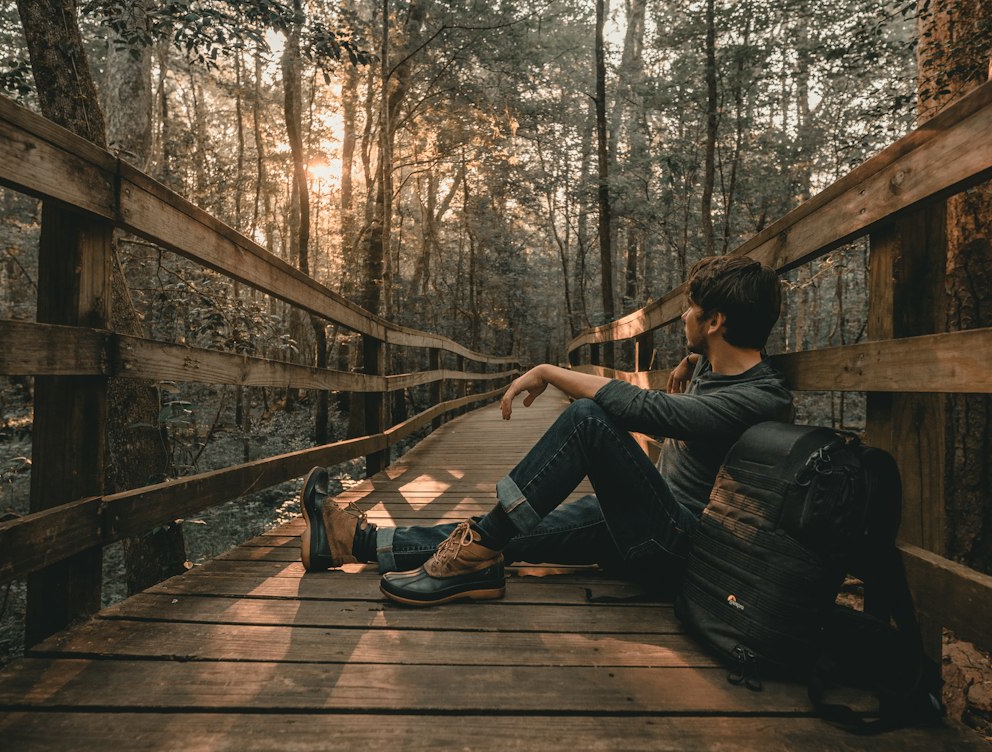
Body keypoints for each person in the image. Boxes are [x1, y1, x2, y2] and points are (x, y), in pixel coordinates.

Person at [299, 255, 793, 604]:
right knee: (512, 532)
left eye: (693, 309)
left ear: (716, 321)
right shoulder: (718, 364)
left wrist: (553, 372)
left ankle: (469, 558)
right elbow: (707, 372)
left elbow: (651, 411)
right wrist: (691, 358)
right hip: (643, 518)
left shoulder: (760, 399)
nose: (684, 315)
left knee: (587, 420)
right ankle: (354, 544)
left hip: (679, 551)